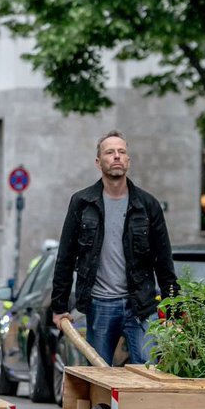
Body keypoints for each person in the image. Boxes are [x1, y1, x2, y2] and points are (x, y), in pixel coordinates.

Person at [50, 130, 178, 365]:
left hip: (141, 304)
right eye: (110, 152)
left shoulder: (147, 205)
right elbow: (65, 256)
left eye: (122, 152)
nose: (117, 156)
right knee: (100, 376)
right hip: (100, 304)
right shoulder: (82, 203)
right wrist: (59, 307)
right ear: (99, 162)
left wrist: (175, 308)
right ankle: (103, 405)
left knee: (148, 373)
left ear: (128, 160)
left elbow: (163, 260)